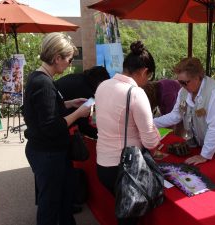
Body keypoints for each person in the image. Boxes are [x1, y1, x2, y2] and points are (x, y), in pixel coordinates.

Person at [23, 32, 92, 225]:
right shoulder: (43, 83)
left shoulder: (41, 78)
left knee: (62, 198)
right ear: (57, 58)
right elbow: (51, 125)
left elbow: (43, 110)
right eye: (69, 60)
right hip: (48, 153)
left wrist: (69, 104)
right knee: (50, 205)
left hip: (48, 151)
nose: (70, 64)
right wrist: (79, 114)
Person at [95, 41, 161, 225]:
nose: (147, 81)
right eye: (149, 76)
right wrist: (156, 134)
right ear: (143, 71)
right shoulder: (135, 93)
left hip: (103, 164)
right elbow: (149, 140)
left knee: (124, 212)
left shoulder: (103, 86)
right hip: (125, 168)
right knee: (129, 219)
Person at [154, 57, 215, 165]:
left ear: (197, 78)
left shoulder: (214, 92)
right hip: (207, 147)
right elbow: (176, 115)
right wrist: (151, 123)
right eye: (179, 82)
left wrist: (203, 155)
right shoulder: (183, 91)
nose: (181, 86)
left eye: (184, 82)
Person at [55, 66, 110, 139]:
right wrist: (102, 136)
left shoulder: (78, 78)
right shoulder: (86, 91)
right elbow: (83, 126)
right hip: (55, 126)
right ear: (100, 81)